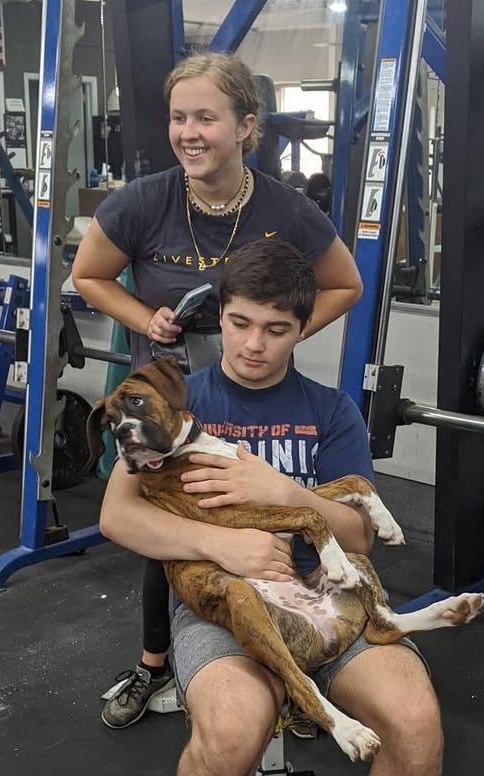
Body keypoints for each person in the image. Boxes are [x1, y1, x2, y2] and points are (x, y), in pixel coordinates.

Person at [100, 240, 440, 776]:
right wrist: (219, 544)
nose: (254, 344)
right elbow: (118, 517)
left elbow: (359, 538)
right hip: (222, 604)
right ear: (221, 315)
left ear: (301, 328)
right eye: (240, 323)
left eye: (277, 329)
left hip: (321, 586)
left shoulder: (330, 411)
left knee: (415, 720)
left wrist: (283, 493)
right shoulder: (168, 403)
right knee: (233, 729)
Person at [71, 51, 362, 728]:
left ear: (246, 125)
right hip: (172, 393)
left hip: (250, 389)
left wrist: (275, 335)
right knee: (168, 528)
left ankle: (288, 660)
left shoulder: (285, 209)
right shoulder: (143, 201)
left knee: (250, 517)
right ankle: (153, 665)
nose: (188, 132)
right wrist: (146, 318)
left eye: (206, 116)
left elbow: (345, 283)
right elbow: (90, 275)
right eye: (179, 118)